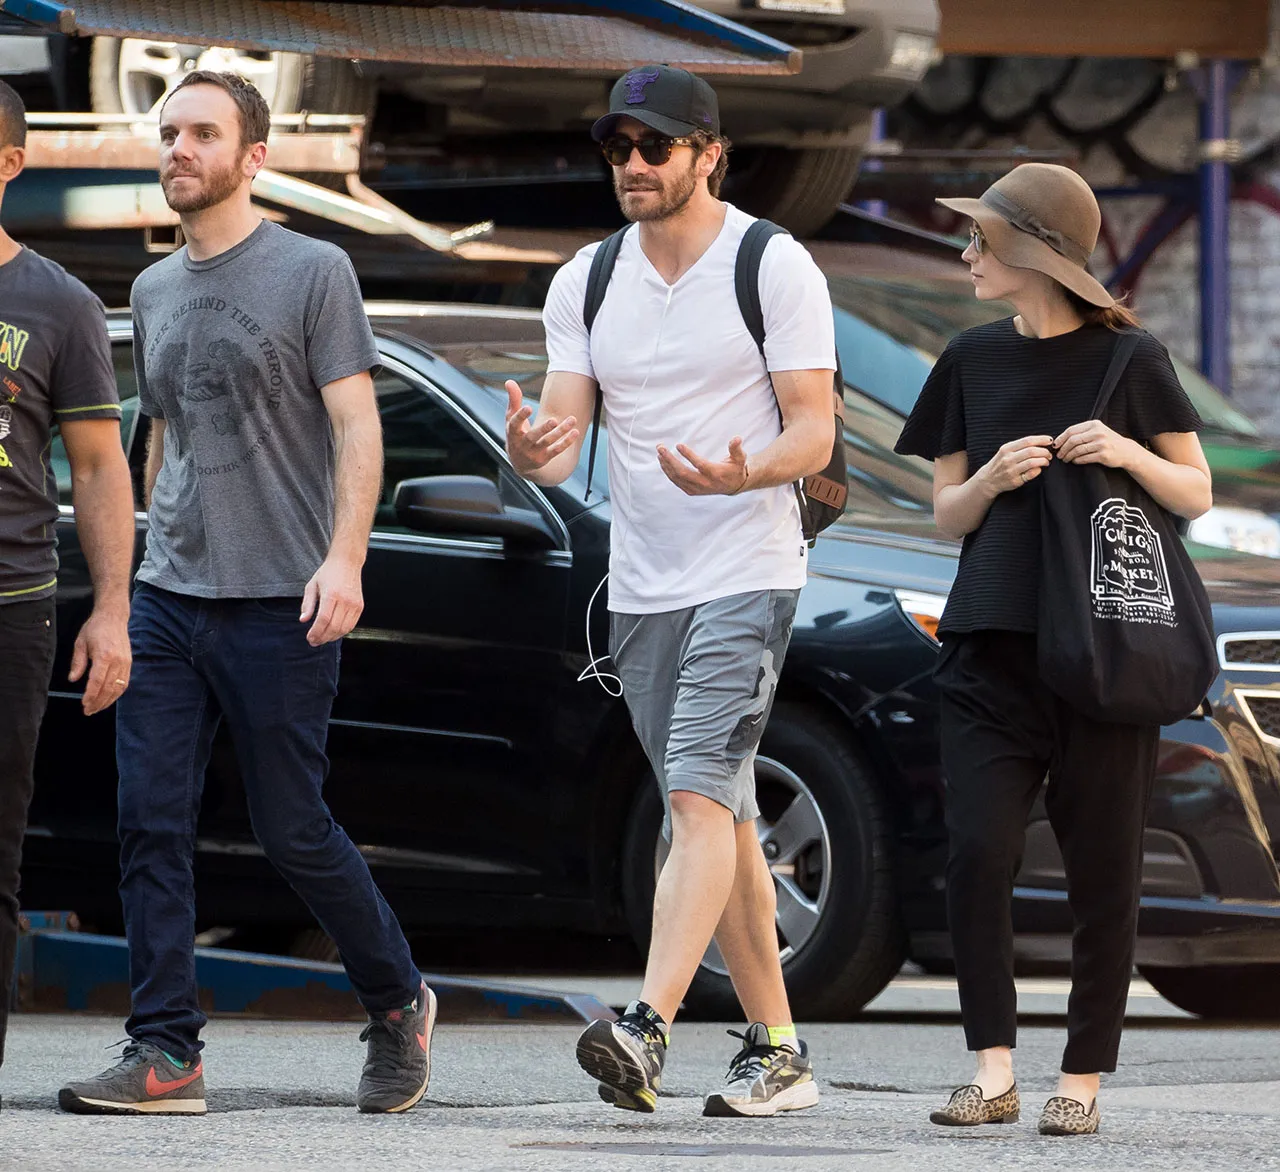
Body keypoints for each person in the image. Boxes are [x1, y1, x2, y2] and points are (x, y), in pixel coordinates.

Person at [59, 71, 433, 1117]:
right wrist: (119, 596)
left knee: (290, 826)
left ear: (253, 156)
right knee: (147, 816)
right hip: (172, 595)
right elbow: (158, 440)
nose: (177, 148)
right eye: (168, 131)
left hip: (283, 594)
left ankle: (397, 997)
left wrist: (345, 557)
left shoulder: (314, 270)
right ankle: (165, 1048)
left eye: (202, 133)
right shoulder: (151, 290)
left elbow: (358, 426)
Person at [505, 65, 835, 1118]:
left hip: (746, 564)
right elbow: (559, 442)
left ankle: (645, 1023)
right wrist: (530, 449)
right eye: (616, 148)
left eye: (654, 146)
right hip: (643, 582)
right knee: (722, 810)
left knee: (691, 795)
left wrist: (746, 472)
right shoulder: (586, 279)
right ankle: (777, 1048)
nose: (633, 165)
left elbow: (814, 430)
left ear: (708, 154)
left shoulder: (770, 265)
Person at [895, 163, 1212, 1136]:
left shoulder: (1134, 360)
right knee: (978, 854)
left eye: (979, 240)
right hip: (986, 649)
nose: (965, 255)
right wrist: (989, 476)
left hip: (1101, 654)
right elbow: (947, 514)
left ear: (1030, 254)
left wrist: (1122, 452)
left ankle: (1079, 1078)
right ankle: (990, 1069)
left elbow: (1193, 491)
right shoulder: (968, 359)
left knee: (1100, 869)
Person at [0, 79, 136, 1107]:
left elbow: (97, 465)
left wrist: (111, 606)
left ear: (11, 163)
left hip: (12, 605)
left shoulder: (57, 303)